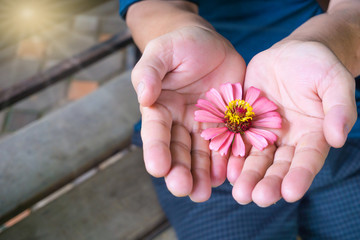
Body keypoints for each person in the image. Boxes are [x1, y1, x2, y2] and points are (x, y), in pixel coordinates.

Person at [119, 0, 360, 239]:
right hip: (201, 142)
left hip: (324, 117)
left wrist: (331, 39)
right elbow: (147, 7)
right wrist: (178, 32)